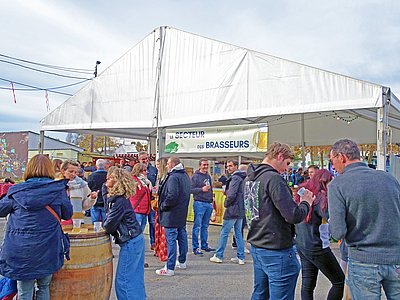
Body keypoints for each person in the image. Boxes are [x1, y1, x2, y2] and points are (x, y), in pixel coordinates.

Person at [328, 139, 400, 299]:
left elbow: (337, 232)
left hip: (363, 260)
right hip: (396, 257)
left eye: (332, 160)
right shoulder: (389, 178)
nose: (332, 166)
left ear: (341, 157)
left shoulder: (338, 185)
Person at [246, 142, 314, 300]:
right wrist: (306, 202)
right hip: (276, 249)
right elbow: (293, 215)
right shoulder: (273, 179)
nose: (287, 168)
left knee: (260, 294)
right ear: (279, 156)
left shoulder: (249, 178)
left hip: (258, 244)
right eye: (287, 163)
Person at [0, 154, 73, 300]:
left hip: (20, 250)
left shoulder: (16, 191)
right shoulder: (58, 190)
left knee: (24, 291)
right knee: (43, 287)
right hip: (48, 248)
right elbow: (67, 214)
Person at [294, 169, 345, 299]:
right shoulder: (321, 198)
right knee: (339, 281)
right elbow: (331, 218)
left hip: (302, 243)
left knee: (308, 284)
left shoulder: (303, 192)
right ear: (325, 181)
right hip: (317, 246)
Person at [103, 167, 146, 300]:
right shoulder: (119, 199)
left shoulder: (119, 201)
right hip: (135, 239)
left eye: (110, 178)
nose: (106, 179)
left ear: (117, 181)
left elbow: (109, 225)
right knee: (135, 278)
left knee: (124, 281)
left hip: (130, 241)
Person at [156, 157, 191, 276]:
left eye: (168, 164)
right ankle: (182, 261)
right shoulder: (185, 176)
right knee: (182, 237)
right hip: (181, 212)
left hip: (171, 213)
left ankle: (169, 267)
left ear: (174, 164)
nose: (166, 166)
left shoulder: (173, 177)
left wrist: (163, 206)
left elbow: (172, 195)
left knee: (171, 240)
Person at [210, 161, 246, 265]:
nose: (228, 168)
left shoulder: (235, 178)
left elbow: (232, 194)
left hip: (233, 208)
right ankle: (241, 257)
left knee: (225, 232)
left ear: (236, 166)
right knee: (238, 233)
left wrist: (226, 202)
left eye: (230, 166)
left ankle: (219, 255)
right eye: (227, 166)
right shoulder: (243, 177)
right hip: (240, 208)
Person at [191, 158, 215, 255]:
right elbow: (190, 189)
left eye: (207, 165)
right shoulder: (195, 176)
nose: (206, 167)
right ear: (200, 165)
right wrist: (201, 189)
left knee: (205, 226)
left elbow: (210, 188)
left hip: (208, 203)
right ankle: (195, 247)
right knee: (197, 226)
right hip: (199, 202)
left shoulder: (208, 176)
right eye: (204, 165)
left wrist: (212, 198)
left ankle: (204, 245)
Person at [138, 151, 158, 250]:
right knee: (140, 224)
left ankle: (153, 242)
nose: (145, 160)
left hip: (151, 201)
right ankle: (138, 244)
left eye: (146, 158)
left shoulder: (154, 170)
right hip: (140, 203)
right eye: (143, 159)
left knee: (152, 222)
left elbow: (157, 183)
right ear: (139, 160)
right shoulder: (136, 171)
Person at [153, 157, 168, 262]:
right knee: (157, 228)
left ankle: (163, 252)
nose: (156, 167)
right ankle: (158, 250)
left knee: (163, 231)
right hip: (158, 205)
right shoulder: (158, 176)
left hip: (162, 206)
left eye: (158, 165)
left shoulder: (165, 177)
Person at [129, 162, 152, 232]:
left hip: (144, 211)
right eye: (144, 170)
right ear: (138, 171)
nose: (147, 172)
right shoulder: (133, 181)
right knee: (136, 233)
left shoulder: (145, 181)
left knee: (140, 232)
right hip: (137, 210)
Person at [87, 159, 108, 223]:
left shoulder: (91, 176)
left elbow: (89, 187)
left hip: (95, 200)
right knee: (106, 222)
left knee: (95, 222)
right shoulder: (108, 176)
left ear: (96, 166)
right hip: (105, 200)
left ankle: (96, 231)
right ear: (105, 166)